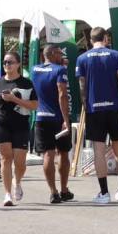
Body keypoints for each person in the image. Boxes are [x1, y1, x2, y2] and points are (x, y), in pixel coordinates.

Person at [76, 25, 118, 204]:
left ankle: (104, 193)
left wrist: (85, 105)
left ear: (90, 40)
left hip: (94, 109)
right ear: (106, 38)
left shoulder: (82, 58)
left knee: (99, 151)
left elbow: (82, 86)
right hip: (115, 108)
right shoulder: (116, 55)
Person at [0, 52, 37, 207]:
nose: (7, 65)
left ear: (18, 64)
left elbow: (35, 105)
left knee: (20, 163)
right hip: (0, 123)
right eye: (5, 62)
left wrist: (14, 99)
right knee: (6, 158)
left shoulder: (26, 83)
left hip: (20, 124)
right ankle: (7, 194)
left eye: (10, 62)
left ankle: (18, 181)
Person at [31, 44, 75, 204]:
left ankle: (53, 192)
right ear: (53, 54)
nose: (62, 55)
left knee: (48, 154)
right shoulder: (60, 70)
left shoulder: (34, 69)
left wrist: (60, 64)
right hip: (58, 118)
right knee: (63, 152)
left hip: (41, 117)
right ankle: (63, 189)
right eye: (59, 53)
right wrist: (65, 119)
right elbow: (62, 94)